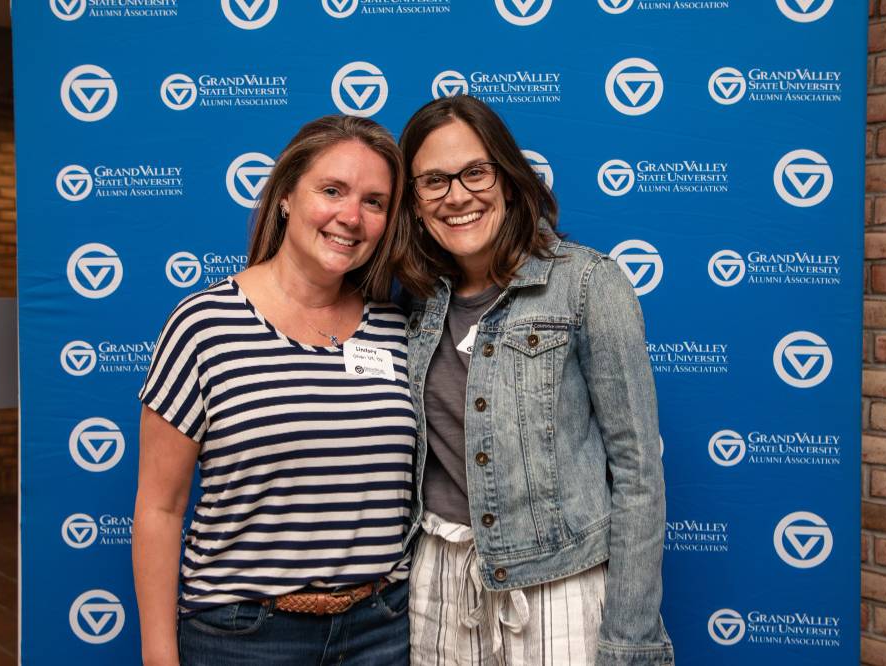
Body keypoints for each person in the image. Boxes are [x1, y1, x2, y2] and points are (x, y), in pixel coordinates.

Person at [394, 95, 674, 666]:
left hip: (560, 583)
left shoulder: (589, 283)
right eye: (434, 181)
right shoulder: (411, 302)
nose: (458, 196)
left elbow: (639, 471)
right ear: (415, 203)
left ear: (508, 178)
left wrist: (631, 636)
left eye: (475, 172)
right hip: (439, 584)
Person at [132, 115, 415, 666]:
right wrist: (159, 655)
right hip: (243, 636)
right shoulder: (205, 325)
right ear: (286, 196)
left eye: (375, 202)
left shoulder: (397, 327)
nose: (350, 217)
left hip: (380, 631)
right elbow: (160, 509)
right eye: (331, 190)